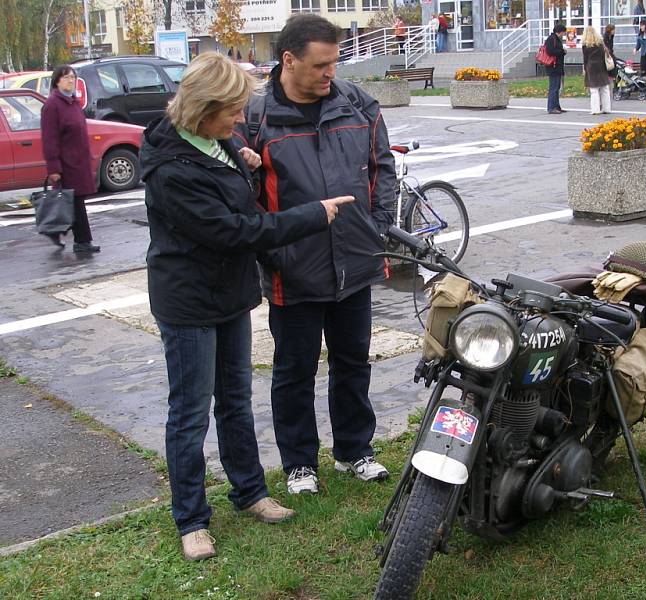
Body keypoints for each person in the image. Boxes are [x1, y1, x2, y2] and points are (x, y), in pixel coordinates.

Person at [140, 52, 354, 561]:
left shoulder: (216, 141)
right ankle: (191, 519)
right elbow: (232, 229)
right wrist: (311, 216)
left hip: (230, 295)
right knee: (189, 415)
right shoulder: (172, 168)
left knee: (236, 401)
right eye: (232, 113)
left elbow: (238, 192)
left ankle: (250, 492)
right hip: (188, 301)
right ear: (201, 108)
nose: (241, 121)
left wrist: (244, 158)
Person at [241, 14, 395, 495]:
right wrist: (272, 253)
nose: (331, 73)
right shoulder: (256, 118)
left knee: (353, 361)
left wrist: (378, 228)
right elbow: (243, 196)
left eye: (335, 62)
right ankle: (299, 463)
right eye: (321, 65)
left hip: (355, 261)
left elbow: (382, 169)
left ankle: (354, 450)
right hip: (294, 270)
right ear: (289, 61)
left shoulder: (358, 105)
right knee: (294, 370)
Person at [40, 65, 99, 253]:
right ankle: (82, 242)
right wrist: (54, 168)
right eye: (66, 77)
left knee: (72, 201)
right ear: (57, 81)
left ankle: (55, 231)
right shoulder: (52, 105)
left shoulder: (73, 103)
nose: (71, 81)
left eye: (73, 77)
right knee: (75, 201)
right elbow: (49, 139)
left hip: (79, 162)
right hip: (66, 164)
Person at [582, 27, 612, 115]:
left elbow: (585, 58)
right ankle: (607, 108)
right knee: (604, 88)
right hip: (601, 65)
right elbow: (605, 54)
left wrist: (585, 68)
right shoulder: (600, 43)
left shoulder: (585, 45)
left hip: (591, 67)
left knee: (594, 89)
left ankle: (595, 109)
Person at [545, 23, 568, 114]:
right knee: (554, 87)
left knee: (557, 86)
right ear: (560, 31)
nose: (564, 34)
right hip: (553, 66)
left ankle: (557, 106)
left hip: (557, 66)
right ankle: (551, 107)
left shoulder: (555, 39)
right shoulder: (552, 39)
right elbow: (550, 51)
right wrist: (562, 51)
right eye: (563, 32)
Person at [604, 24, 619, 90]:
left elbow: (611, 46)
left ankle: (615, 82)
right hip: (607, 53)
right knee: (612, 65)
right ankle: (611, 79)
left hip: (611, 52)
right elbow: (605, 46)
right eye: (613, 30)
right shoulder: (605, 37)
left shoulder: (612, 36)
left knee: (616, 65)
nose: (614, 31)